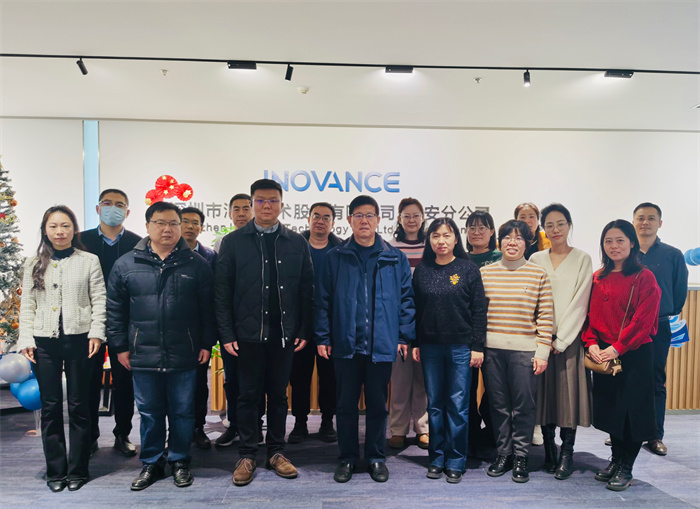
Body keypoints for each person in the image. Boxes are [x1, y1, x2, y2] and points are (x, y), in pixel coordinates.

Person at [107, 201, 216, 491]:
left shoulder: (196, 264)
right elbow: (115, 310)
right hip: (143, 351)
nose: (167, 229)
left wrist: (206, 342)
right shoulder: (126, 264)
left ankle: (180, 460)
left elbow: (208, 309)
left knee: (182, 411)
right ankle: (152, 462)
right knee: (150, 412)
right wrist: (120, 346)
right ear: (147, 226)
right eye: (160, 223)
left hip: (185, 351)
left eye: (173, 223)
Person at [215, 179, 314, 486]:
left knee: (278, 396)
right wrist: (227, 333)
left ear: (282, 205)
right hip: (246, 336)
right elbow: (222, 292)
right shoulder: (233, 242)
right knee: (247, 396)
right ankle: (247, 454)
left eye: (272, 200)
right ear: (252, 203)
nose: (266, 206)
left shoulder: (296, 242)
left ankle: (276, 452)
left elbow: (307, 289)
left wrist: (303, 328)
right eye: (260, 200)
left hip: (283, 334)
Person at [315, 195, 415, 484]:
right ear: (349, 220)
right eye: (358, 215)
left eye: (369, 215)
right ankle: (346, 458)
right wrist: (323, 336)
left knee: (378, 406)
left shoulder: (394, 257)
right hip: (345, 344)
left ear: (378, 220)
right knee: (345, 406)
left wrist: (402, 336)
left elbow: (406, 300)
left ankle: (375, 457)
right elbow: (322, 301)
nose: (364, 221)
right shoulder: (335, 257)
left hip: (381, 345)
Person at [18, 205, 106, 492]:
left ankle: (78, 469)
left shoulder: (88, 260)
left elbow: (99, 299)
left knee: (80, 405)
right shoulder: (33, 263)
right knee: (51, 406)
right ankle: (55, 470)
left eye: (65, 225)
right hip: (44, 342)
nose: (59, 231)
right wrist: (26, 339)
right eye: (53, 226)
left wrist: (97, 332)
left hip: (80, 339)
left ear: (74, 229)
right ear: (45, 230)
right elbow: (27, 305)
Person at [582, 219, 661, 491]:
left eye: (619, 240)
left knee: (633, 414)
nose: (614, 246)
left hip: (634, 353)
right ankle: (615, 460)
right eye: (608, 241)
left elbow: (643, 320)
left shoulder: (644, 277)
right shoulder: (598, 277)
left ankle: (627, 467)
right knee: (612, 411)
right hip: (604, 354)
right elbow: (589, 316)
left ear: (632, 243)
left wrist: (617, 347)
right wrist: (591, 343)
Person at [412, 217, 487, 484]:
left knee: (457, 405)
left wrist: (477, 346)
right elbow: (416, 309)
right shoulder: (422, 270)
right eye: (435, 236)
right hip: (430, 347)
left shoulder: (468, 269)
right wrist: (416, 342)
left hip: (460, 348)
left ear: (456, 238)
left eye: (446, 235)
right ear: (429, 240)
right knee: (434, 405)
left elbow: (479, 311)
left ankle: (456, 459)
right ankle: (436, 458)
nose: (441, 241)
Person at [480, 219, 553, 483]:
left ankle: (521, 456)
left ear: (527, 243)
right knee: (498, 406)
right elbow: (478, 314)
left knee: (523, 406)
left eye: (519, 238)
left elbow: (546, 316)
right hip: (492, 351)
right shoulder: (485, 273)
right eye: (507, 237)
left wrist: (542, 351)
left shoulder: (538, 274)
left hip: (525, 351)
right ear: (499, 242)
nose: (512, 242)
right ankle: (504, 453)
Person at [530, 204, 593, 480]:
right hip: (540, 341)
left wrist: (562, 339)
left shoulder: (582, 259)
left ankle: (566, 454)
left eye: (561, 224)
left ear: (569, 225)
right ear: (543, 228)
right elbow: (531, 300)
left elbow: (581, 302)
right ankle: (549, 451)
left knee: (568, 400)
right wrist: (543, 338)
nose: (555, 229)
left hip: (569, 342)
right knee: (543, 398)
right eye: (550, 225)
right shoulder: (535, 259)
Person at [80, 188, 141, 458]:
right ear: (97, 209)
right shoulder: (80, 241)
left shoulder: (138, 243)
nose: (112, 208)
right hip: (88, 322)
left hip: (125, 322)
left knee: (124, 382)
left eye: (119, 204)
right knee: (88, 382)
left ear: (127, 212)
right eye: (107, 203)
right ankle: (90, 436)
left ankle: (122, 434)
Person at [632, 202, 688, 456]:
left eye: (651, 218)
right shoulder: (625, 252)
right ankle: (626, 431)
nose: (645, 222)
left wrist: (665, 311)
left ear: (660, 223)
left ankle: (655, 436)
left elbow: (679, 289)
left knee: (655, 380)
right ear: (634, 222)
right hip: (627, 327)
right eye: (641, 218)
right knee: (627, 379)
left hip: (659, 325)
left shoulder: (672, 254)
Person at [289, 202, 343, 444]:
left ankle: (327, 421)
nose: (321, 221)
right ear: (308, 219)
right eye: (316, 216)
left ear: (333, 223)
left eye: (326, 217)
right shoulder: (294, 245)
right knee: (298, 377)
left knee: (329, 377)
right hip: (299, 323)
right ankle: (299, 423)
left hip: (331, 325)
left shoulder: (341, 249)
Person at [212, 193, 258, 449]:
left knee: (256, 380)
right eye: (236, 209)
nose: (241, 213)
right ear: (229, 214)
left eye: (246, 208)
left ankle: (254, 426)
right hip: (232, 325)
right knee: (232, 379)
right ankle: (234, 424)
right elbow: (221, 287)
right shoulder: (224, 242)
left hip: (258, 326)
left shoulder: (264, 240)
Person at [388, 197, 429, 450]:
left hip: (426, 322)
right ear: (399, 219)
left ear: (423, 218)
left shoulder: (431, 246)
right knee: (400, 380)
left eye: (416, 215)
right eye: (407, 216)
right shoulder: (390, 248)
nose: (411, 220)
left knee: (423, 380)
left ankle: (423, 428)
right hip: (398, 322)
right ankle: (398, 429)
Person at [181, 206, 218, 450]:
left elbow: (215, 297)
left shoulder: (210, 257)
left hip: (199, 331)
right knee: (174, 386)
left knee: (198, 384)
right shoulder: (167, 254)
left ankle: (198, 428)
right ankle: (176, 432)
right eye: (185, 221)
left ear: (201, 228)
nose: (190, 226)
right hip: (173, 331)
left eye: (195, 222)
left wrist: (208, 337)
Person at [464, 210, 501, 457]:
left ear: (491, 232)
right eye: (472, 228)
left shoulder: (501, 257)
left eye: (482, 227)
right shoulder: (462, 259)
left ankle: (493, 431)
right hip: (468, 334)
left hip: (497, 330)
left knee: (496, 388)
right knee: (468, 388)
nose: (476, 232)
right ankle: (471, 434)